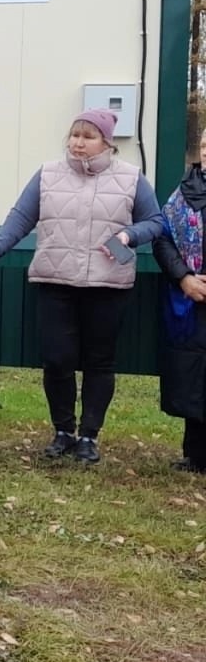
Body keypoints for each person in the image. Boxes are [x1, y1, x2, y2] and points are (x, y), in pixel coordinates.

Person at [0, 108, 161, 464]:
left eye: (88, 137)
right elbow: (21, 217)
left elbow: (156, 222)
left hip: (108, 285)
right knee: (57, 360)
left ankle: (89, 436)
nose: (78, 143)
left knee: (99, 362)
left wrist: (129, 235)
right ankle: (63, 431)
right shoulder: (47, 175)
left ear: (107, 142)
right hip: (55, 281)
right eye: (74, 136)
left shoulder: (131, 179)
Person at [150, 128, 206, 474]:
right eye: (204, 144)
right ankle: (196, 455)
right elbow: (162, 239)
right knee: (193, 374)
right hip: (190, 299)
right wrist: (184, 277)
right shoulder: (182, 195)